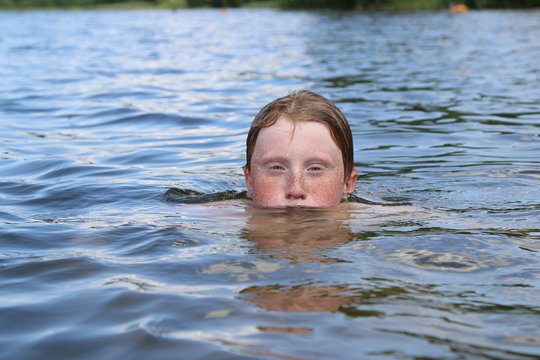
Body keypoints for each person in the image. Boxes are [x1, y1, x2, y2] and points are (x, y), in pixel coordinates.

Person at [243, 90, 358, 208]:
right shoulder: (227, 218)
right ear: (250, 180)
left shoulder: (370, 218)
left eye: (315, 168)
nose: (296, 190)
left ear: (348, 183)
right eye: (277, 168)